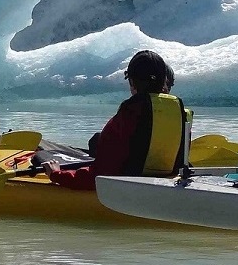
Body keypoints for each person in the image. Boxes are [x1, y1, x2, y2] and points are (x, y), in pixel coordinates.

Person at [44, 50, 190, 190]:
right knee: (97, 140)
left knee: (96, 140)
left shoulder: (126, 117)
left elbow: (98, 177)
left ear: (132, 82)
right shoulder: (181, 116)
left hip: (128, 190)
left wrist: (57, 175)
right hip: (168, 187)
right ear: (165, 81)